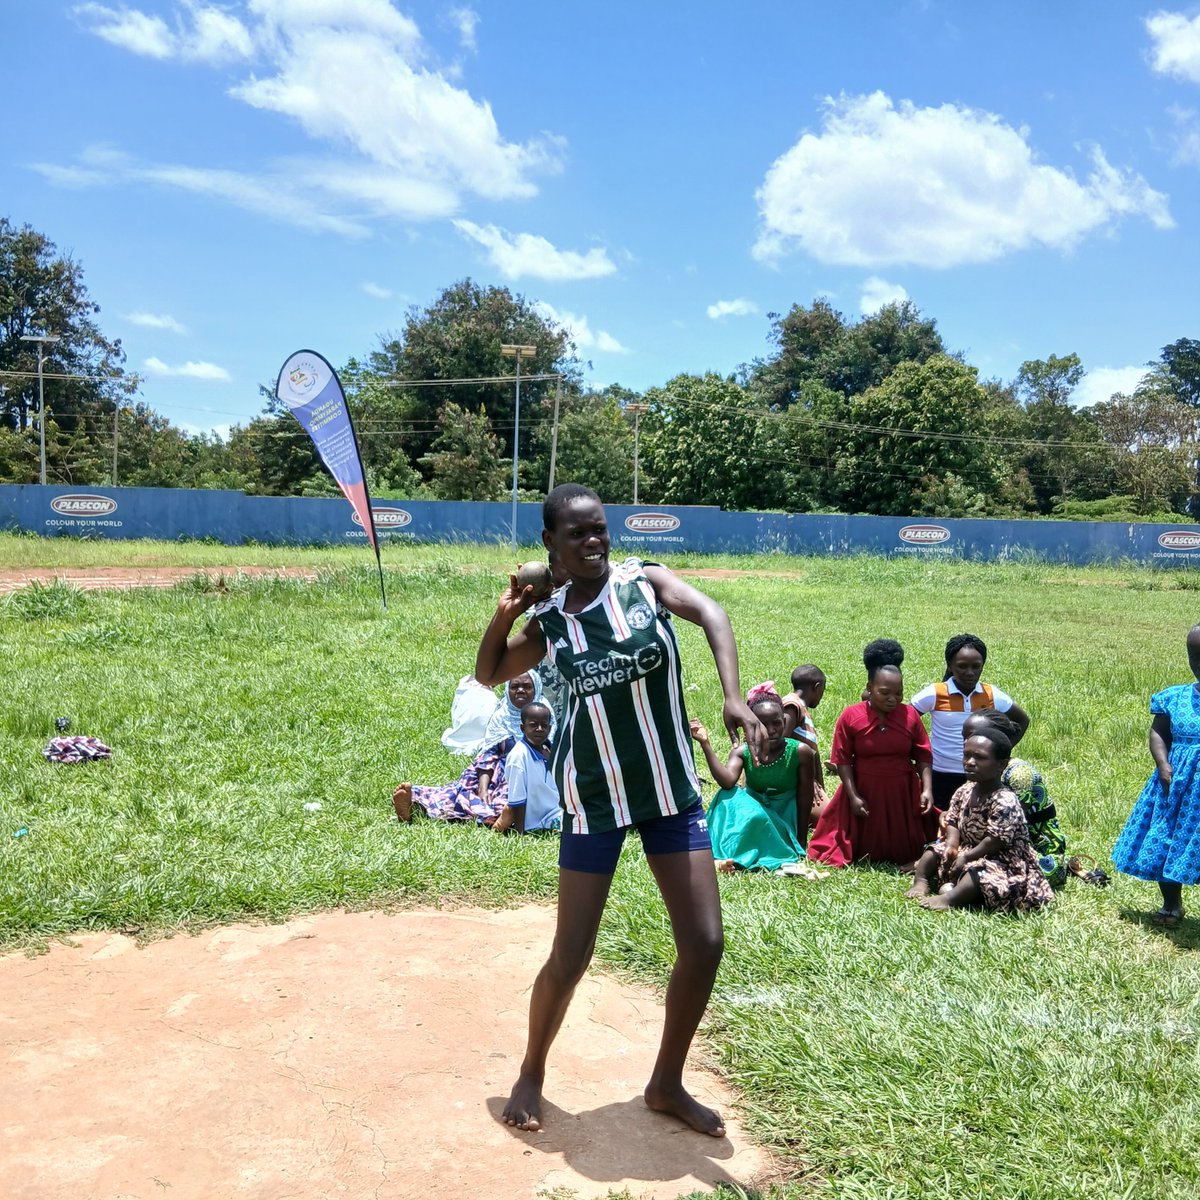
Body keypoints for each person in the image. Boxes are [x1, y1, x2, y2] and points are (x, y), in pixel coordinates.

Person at [475, 482, 765, 1138]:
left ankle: (665, 1083)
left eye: (599, 528)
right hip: (595, 799)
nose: (594, 541)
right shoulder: (549, 622)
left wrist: (730, 695)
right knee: (571, 953)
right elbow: (490, 672)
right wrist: (506, 611)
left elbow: (713, 613)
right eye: (577, 533)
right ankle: (531, 1069)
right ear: (550, 544)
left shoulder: (644, 581)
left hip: (668, 791)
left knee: (705, 943)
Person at [906, 724, 1053, 913]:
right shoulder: (965, 789)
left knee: (979, 873)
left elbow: (996, 840)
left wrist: (967, 856)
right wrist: (952, 844)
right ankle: (921, 881)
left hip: (1000, 857)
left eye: (980, 758)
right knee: (933, 851)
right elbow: (952, 819)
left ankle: (951, 898)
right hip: (967, 848)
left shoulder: (1005, 799)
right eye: (966, 755)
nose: (969, 762)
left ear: (1001, 764)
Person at [1112, 624, 1200, 927]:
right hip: (1176, 786)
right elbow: (1159, 733)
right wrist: (1163, 764)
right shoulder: (1174, 698)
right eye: (1195, 657)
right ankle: (1171, 904)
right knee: (1167, 840)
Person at [807, 660, 934, 868]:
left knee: (909, 847)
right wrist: (853, 796)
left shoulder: (910, 715)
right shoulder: (851, 716)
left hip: (901, 790)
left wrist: (927, 789)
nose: (893, 699)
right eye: (885, 693)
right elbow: (843, 760)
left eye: (898, 693)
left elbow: (923, 755)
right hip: (865, 787)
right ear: (869, 688)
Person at [692, 683, 815, 873]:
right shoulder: (743, 752)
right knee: (728, 796)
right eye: (763, 725)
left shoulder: (800, 751)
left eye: (776, 723)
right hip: (752, 813)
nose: (771, 730)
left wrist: (801, 839)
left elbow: (805, 797)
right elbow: (727, 782)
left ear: (784, 720)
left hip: (782, 815)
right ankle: (724, 858)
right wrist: (705, 744)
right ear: (750, 725)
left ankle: (736, 858)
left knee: (757, 818)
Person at [391, 674, 541, 824]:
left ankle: (502, 815)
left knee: (515, 794)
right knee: (462, 791)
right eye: (514, 686)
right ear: (507, 690)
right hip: (492, 771)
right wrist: (483, 788)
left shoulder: (543, 715)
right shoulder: (501, 716)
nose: (520, 690)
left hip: (524, 771)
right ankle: (414, 801)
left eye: (527, 686)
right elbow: (488, 754)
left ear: (537, 689)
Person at [910, 634, 1030, 813]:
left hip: (980, 775)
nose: (969, 672)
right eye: (962, 666)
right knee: (940, 821)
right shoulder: (935, 692)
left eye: (976, 666)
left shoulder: (990, 694)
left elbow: (1022, 719)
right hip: (942, 772)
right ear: (950, 665)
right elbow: (906, 720)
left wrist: (999, 753)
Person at [962, 711, 1068, 889]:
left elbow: (1007, 828)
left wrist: (967, 854)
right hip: (989, 838)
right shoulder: (978, 765)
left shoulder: (1019, 774)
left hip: (1028, 846)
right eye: (964, 737)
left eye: (973, 735)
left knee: (1008, 879)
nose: (966, 742)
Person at [493, 702, 562, 834]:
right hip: (543, 818)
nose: (540, 729)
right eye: (533, 725)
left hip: (559, 809)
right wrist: (520, 832)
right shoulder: (519, 756)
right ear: (522, 728)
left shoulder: (550, 749)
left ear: (550, 728)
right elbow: (517, 799)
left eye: (544, 725)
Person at [781, 664, 829, 818]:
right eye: (823, 690)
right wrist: (805, 781)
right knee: (828, 819)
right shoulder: (792, 705)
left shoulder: (801, 708)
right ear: (817, 686)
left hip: (805, 779)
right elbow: (782, 743)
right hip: (795, 781)